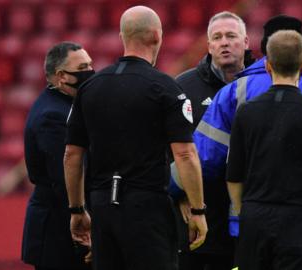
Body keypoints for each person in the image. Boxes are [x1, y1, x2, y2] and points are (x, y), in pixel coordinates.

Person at [172, 15, 302, 270]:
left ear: (265, 56)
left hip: (251, 227)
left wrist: (171, 188)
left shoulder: (235, 91)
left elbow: (205, 157)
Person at [64, 6, 207, 270]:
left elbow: (72, 155)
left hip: (103, 207)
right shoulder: (165, 88)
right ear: (156, 36)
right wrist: (198, 210)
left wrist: (76, 209)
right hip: (147, 208)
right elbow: (185, 154)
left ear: (122, 37)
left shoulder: (90, 87)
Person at [226, 29, 302, 270]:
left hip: (254, 215)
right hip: (295, 219)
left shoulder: (246, 112)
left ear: (268, 66)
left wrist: (244, 212)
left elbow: (233, 175)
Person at [173, 11, 254, 270]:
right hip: (200, 213)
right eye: (217, 38)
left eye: (231, 36)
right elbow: (166, 146)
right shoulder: (184, 87)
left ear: (246, 42)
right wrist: (180, 193)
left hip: (249, 212)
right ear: (208, 46)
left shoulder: (262, 85)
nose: (224, 43)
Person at [22, 41, 94, 270]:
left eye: (90, 65)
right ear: (62, 76)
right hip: (58, 231)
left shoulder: (66, 105)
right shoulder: (53, 115)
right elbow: (64, 177)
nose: (90, 72)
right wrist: (83, 221)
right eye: (83, 68)